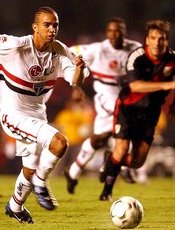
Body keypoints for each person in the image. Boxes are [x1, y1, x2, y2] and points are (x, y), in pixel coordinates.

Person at [0, 6, 89, 224]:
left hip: (37, 113)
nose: (52, 29)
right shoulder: (16, 45)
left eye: (55, 25)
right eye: (46, 24)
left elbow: (76, 80)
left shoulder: (60, 50)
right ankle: (41, 182)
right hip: (13, 114)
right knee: (59, 143)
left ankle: (15, 206)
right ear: (35, 27)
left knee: (29, 168)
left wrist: (80, 69)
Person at [99, 20, 175, 201]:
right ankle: (107, 191)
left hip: (150, 113)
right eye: (153, 38)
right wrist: (167, 85)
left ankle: (111, 160)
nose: (157, 42)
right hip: (127, 108)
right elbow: (135, 86)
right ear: (147, 40)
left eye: (161, 38)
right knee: (122, 149)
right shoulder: (137, 57)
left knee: (137, 162)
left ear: (167, 41)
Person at [63, 18, 141, 194]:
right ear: (107, 33)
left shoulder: (135, 48)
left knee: (99, 138)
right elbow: (68, 52)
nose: (114, 34)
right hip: (106, 95)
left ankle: (74, 171)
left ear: (124, 32)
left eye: (118, 31)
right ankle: (122, 167)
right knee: (128, 119)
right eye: (111, 31)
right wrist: (74, 82)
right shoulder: (97, 50)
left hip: (126, 95)